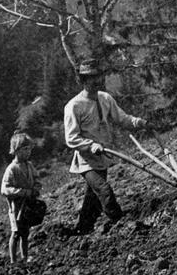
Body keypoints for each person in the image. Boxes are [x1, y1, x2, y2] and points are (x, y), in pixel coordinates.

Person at [63, 59, 149, 235]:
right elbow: (71, 138)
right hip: (87, 161)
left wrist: (139, 122)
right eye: (90, 78)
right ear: (82, 81)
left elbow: (121, 118)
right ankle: (122, 223)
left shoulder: (105, 98)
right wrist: (90, 145)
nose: (95, 81)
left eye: (97, 77)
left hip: (103, 156)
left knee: (93, 198)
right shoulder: (74, 106)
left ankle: (82, 230)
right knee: (104, 190)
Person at [0, 133, 41, 263]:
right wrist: (23, 192)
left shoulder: (29, 165)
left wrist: (35, 188)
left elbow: (36, 179)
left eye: (29, 149)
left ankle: (25, 257)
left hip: (27, 205)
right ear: (16, 150)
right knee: (16, 233)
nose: (28, 152)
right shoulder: (12, 169)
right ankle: (13, 261)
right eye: (25, 149)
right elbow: (5, 189)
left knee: (25, 232)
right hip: (16, 207)